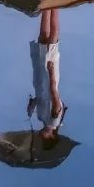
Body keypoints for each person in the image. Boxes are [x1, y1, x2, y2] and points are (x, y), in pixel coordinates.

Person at [28, 9, 65, 147]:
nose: (39, 137)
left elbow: (40, 98)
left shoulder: (40, 118)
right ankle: (55, 6)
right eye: (43, 139)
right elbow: (55, 96)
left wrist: (32, 104)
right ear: (50, 138)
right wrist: (51, 72)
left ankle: (46, 7)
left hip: (40, 78)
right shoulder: (54, 121)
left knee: (42, 37)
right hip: (49, 76)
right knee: (52, 39)